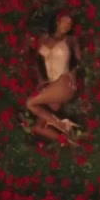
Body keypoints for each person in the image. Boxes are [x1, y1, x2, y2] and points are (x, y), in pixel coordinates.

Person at [25, 10, 83, 144]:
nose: (67, 25)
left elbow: (78, 62)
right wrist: (41, 81)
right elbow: (37, 62)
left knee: (30, 103)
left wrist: (74, 75)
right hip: (52, 86)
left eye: (70, 24)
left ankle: (63, 126)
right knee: (38, 127)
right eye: (65, 21)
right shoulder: (43, 39)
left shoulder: (71, 40)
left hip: (64, 82)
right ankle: (69, 142)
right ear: (57, 21)